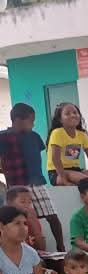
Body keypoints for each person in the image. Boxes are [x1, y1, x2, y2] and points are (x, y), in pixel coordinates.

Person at [0, 103, 64, 251]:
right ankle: (26, 249)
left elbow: (36, 157)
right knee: (21, 218)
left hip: (37, 182)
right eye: (31, 121)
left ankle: (61, 248)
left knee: (52, 216)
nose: (33, 124)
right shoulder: (3, 137)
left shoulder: (34, 137)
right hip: (16, 185)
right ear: (18, 120)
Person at [46, 101, 88, 206]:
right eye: (67, 113)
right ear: (60, 119)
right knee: (85, 180)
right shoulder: (57, 133)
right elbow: (55, 158)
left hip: (75, 169)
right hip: (57, 172)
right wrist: (63, 179)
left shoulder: (82, 135)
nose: (73, 115)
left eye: (75, 112)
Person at [5, 186, 46, 251]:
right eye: (23, 202)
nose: (27, 206)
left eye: (29, 202)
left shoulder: (31, 218)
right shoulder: (4, 222)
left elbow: (42, 248)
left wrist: (34, 225)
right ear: (9, 203)